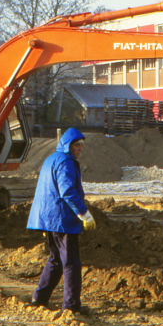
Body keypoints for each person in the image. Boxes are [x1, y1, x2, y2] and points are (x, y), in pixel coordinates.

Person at [26, 127, 96, 315]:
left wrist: (45, 222)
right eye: (77, 146)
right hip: (62, 219)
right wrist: (84, 213)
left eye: (81, 146)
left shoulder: (51, 160)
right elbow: (67, 191)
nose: (80, 149)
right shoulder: (66, 162)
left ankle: (39, 298)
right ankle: (71, 306)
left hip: (48, 218)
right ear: (68, 146)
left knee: (55, 259)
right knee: (71, 262)